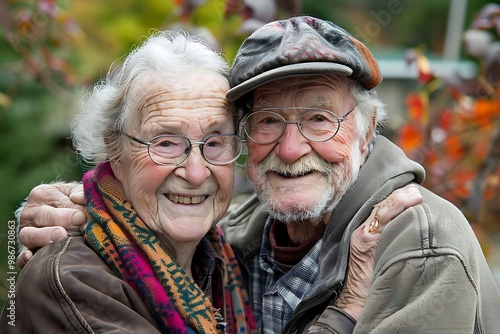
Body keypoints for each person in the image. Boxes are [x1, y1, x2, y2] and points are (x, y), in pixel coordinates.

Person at [12, 15, 499, 333]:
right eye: (268, 121)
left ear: (368, 129)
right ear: (113, 155)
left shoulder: (417, 243)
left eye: (318, 118)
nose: (290, 148)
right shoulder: (237, 235)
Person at [1, 31, 259, 333]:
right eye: (166, 143)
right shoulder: (72, 282)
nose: (196, 173)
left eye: (215, 142)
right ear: (115, 149)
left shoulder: (228, 263)